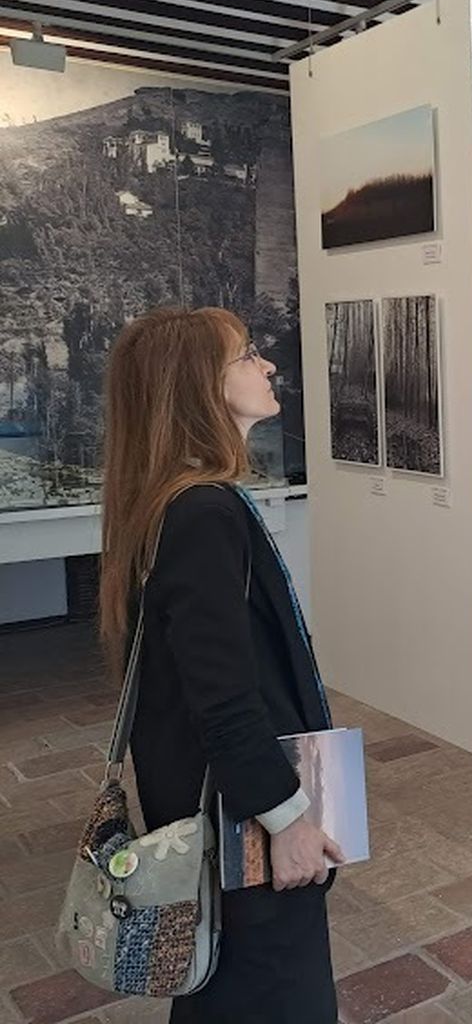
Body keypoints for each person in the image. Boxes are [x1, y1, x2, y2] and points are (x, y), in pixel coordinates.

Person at [98, 306, 343, 1022]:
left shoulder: (177, 502)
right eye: (247, 355)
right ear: (198, 386)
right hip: (238, 824)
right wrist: (288, 818)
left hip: (211, 811)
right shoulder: (202, 512)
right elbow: (224, 696)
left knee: (226, 985)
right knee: (271, 992)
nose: (268, 367)